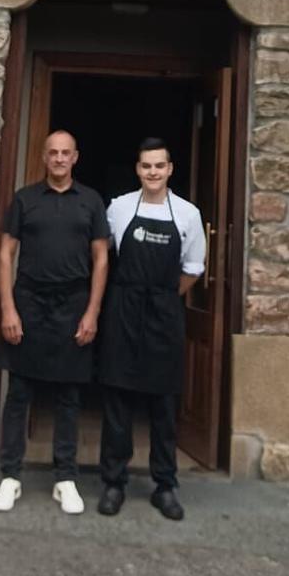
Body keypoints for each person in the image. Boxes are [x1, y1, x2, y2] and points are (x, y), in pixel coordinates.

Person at [0, 130, 110, 516]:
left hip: (74, 302)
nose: (59, 159)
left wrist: (92, 312)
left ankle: (65, 479)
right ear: (44, 158)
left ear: (76, 157)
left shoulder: (91, 202)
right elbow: (6, 255)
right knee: (19, 393)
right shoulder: (25, 200)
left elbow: (101, 260)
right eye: (53, 153)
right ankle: (10, 476)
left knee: (68, 396)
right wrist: (8, 308)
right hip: (28, 300)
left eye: (65, 153)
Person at [97, 137, 206, 522]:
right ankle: (113, 482)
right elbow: (103, 255)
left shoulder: (189, 214)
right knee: (118, 401)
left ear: (170, 169)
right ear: (137, 170)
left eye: (159, 166)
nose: (153, 172)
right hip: (123, 310)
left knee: (163, 404)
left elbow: (193, 269)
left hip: (163, 314)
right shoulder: (120, 207)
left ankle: (165, 485)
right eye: (146, 166)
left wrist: (162, 296)